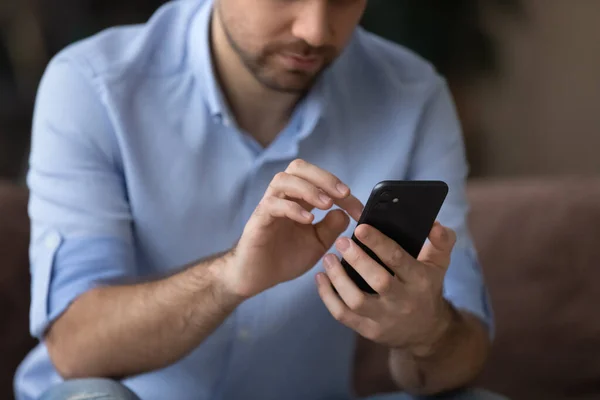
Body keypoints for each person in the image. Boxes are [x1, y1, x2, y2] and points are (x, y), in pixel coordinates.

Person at [14, 0, 503, 399]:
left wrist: (427, 331)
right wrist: (230, 278)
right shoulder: (93, 85)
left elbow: (467, 349)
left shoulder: (414, 97)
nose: (315, 29)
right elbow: (76, 349)